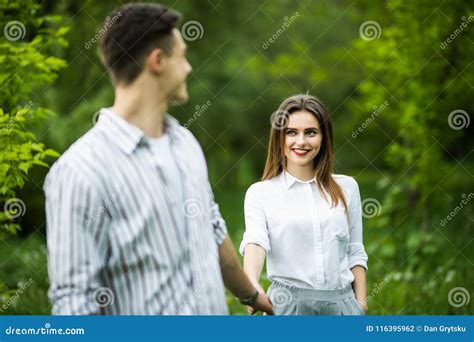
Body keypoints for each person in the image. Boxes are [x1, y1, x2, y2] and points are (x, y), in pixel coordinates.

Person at [44, 2, 273, 315]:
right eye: (182, 56)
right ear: (157, 61)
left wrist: (251, 294)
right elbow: (75, 304)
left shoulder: (185, 145)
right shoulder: (80, 171)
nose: (189, 68)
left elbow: (211, 228)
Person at [240, 94, 368, 315]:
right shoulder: (260, 193)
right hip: (288, 306)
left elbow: (355, 251)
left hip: (343, 306)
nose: (301, 142)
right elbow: (255, 242)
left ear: (323, 137)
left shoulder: (348, 187)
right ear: (279, 138)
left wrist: (361, 303)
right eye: (291, 132)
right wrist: (251, 285)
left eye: (311, 132)